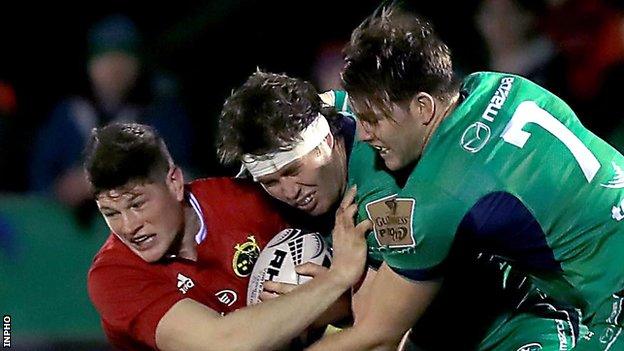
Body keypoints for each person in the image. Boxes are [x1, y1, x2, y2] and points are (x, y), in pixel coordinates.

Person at [308, 5, 622, 350]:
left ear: (423, 107)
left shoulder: (440, 193)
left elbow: (377, 335)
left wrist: (338, 279)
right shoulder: (498, 83)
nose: (365, 135)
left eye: (374, 120)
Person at [217, 71, 583, 350]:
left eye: (293, 170)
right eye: (271, 182)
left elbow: (379, 336)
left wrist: (325, 296)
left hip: (518, 323)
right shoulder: (335, 112)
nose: (289, 191)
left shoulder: (381, 199)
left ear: (326, 140)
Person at [85, 122, 370, 350]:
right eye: (111, 213)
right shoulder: (114, 275)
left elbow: (352, 307)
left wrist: (337, 303)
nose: (128, 226)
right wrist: (337, 278)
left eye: (137, 204)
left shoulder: (246, 201)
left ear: (173, 183)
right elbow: (223, 344)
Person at [30, 14, 193, 212]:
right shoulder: (68, 115)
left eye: (124, 59)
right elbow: (38, 181)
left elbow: (186, 175)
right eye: (105, 59)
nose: (115, 69)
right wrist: (64, 189)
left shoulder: (159, 114)